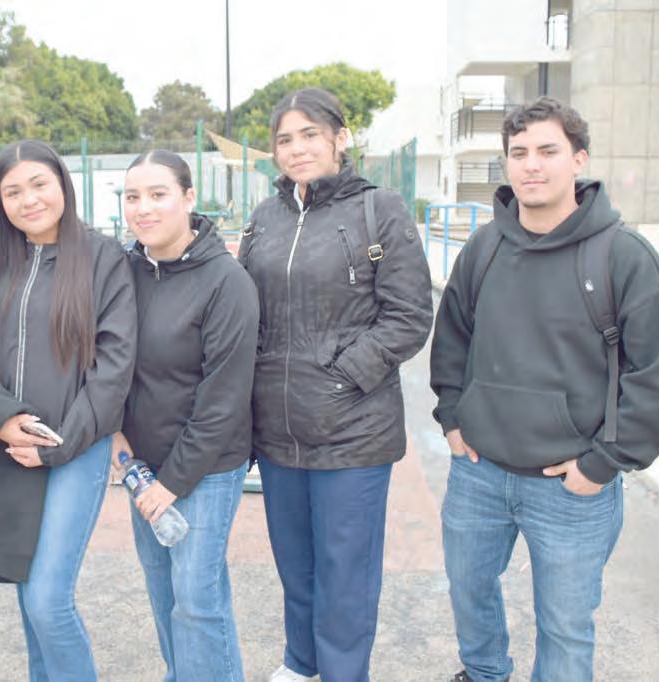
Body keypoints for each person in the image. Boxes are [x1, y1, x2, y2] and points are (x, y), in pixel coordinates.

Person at [430, 97, 659, 682]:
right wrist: (452, 418)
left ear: (578, 159)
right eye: (518, 152)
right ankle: (484, 673)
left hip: (572, 488)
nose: (531, 165)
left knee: (565, 629)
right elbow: (452, 339)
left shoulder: (623, 256)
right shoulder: (484, 248)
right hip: (478, 472)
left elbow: (656, 372)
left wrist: (604, 463)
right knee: (468, 593)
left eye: (547, 150)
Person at [238, 87, 433, 682]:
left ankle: (344, 672)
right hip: (277, 430)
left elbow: (409, 317)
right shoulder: (265, 218)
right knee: (295, 566)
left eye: (310, 135)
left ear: (340, 138)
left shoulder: (380, 209)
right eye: (284, 139)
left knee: (345, 571)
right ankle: (302, 663)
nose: (297, 149)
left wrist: (341, 378)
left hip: (353, 432)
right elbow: (245, 311)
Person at [0, 140, 136, 680]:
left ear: (62, 184)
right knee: (29, 595)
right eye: (13, 191)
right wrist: (1, 418)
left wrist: (60, 444)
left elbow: (114, 367)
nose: (29, 200)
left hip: (75, 448)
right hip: (7, 448)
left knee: (49, 599)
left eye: (39, 184)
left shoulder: (102, 258)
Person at [112, 150, 259, 681]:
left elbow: (224, 399)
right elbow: (108, 361)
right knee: (165, 594)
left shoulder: (226, 282)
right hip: (141, 463)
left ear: (189, 198)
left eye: (158, 195)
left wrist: (170, 484)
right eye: (133, 197)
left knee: (197, 600)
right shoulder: (124, 271)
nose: (143, 208)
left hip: (206, 466)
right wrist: (117, 438)